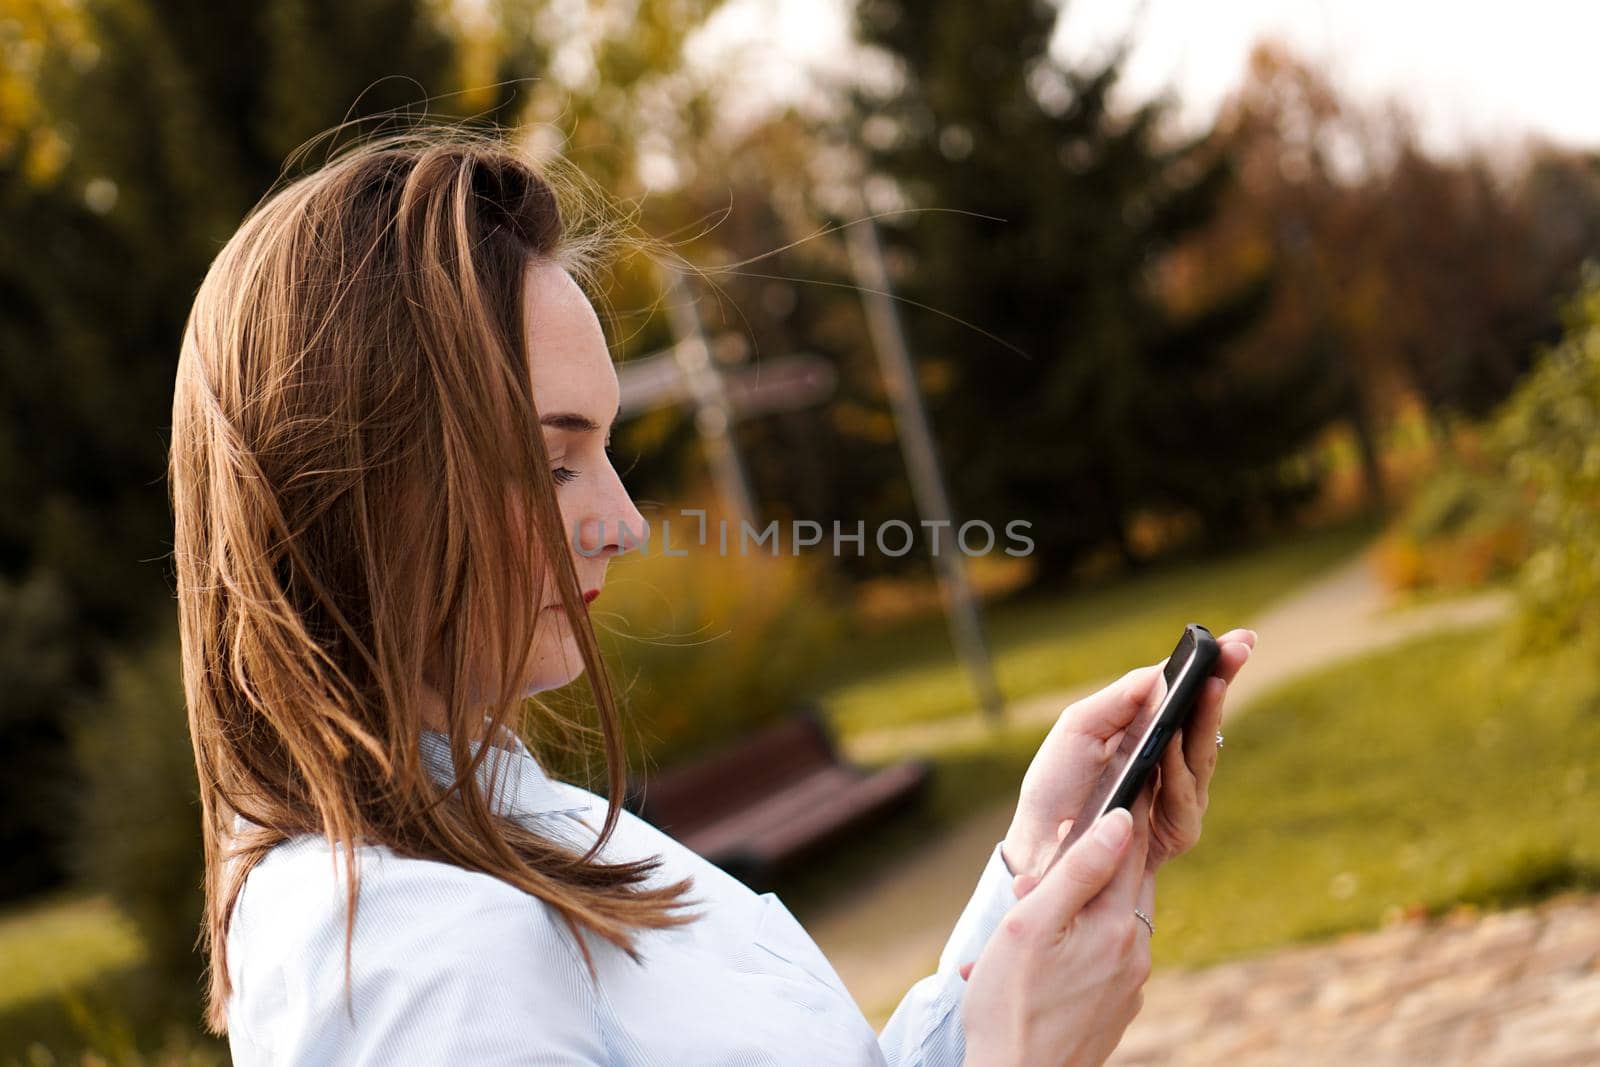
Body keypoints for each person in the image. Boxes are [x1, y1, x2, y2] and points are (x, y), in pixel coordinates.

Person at [168, 127, 1256, 1066]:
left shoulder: (502, 820)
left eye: (603, 451)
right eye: (553, 463)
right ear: (350, 489)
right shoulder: (414, 958)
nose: (625, 523)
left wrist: (1034, 873)